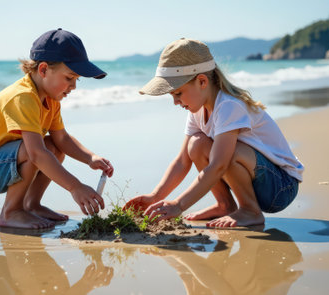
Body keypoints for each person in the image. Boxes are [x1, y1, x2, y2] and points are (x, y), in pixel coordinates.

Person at [125, 38, 303, 227]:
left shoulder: (228, 106)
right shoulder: (198, 109)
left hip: (281, 187)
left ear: (202, 81)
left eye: (178, 93)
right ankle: (225, 204)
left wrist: (179, 204)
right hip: (257, 179)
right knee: (197, 144)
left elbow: (218, 165)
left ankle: (250, 211)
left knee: (227, 152)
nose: (176, 102)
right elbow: (182, 161)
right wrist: (155, 196)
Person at [0, 29, 114, 229]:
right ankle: (11, 212)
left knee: (53, 147)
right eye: (69, 78)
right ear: (43, 70)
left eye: (77, 79)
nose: (74, 86)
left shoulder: (51, 98)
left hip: (5, 162)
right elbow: (36, 154)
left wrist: (89, 158)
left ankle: (31, 205)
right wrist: (75, 187)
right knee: (36, 150)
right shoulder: (23, 97)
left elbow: (62, 139)